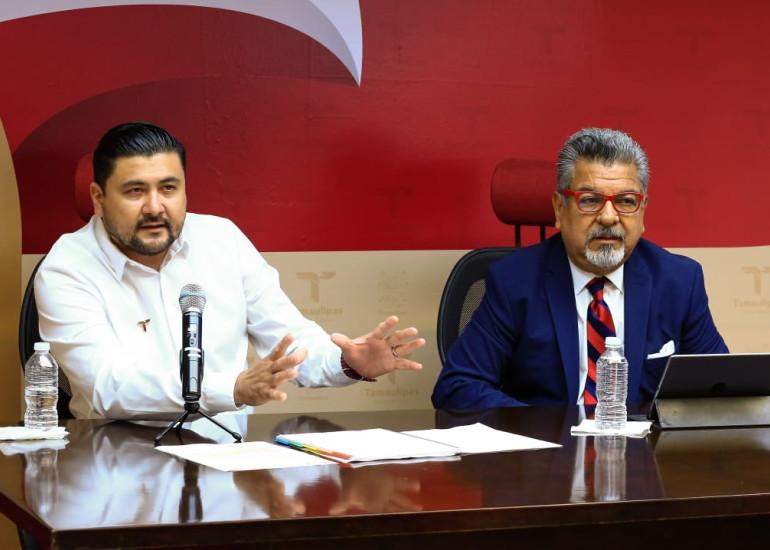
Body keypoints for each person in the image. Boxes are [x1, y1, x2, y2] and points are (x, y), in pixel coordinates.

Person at [35, 121, 425, 420]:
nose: (155, 207)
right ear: (98, 198)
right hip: (114, 458)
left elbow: (288, 339)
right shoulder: (67, 268)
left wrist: (347, 362)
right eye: (135, 191)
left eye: (168, 188)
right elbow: (105, 387)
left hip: (226, 456)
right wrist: (231, 389)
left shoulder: (221, 239)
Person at [432, 127, 728, 409]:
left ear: (642, 210)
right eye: (590, 200)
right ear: (559, 208)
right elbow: (457, 387)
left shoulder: (679, 282)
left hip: (643, 444)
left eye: (626, 201)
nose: (609, 217)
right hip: (545, 443)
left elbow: (720, 389)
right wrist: (551, 431)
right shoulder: (514, 281)